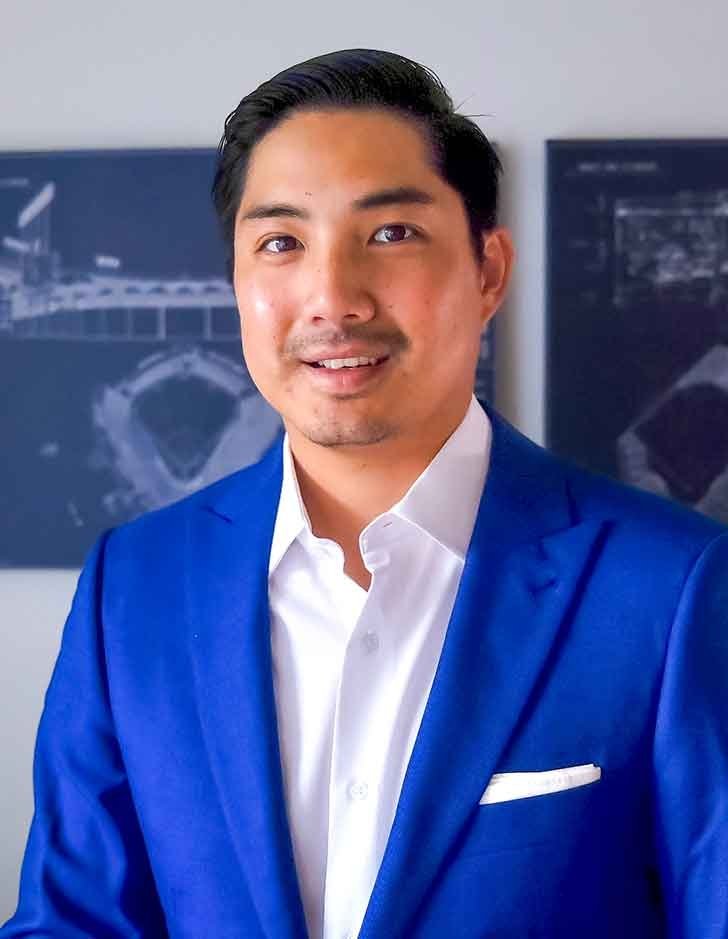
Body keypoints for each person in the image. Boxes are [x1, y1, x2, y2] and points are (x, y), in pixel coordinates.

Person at [2, 48, 727, 939]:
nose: (333, 297)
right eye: (281, 243)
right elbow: (72, 922)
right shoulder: (136, 584)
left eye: (391, 234)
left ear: (488, 271)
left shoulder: (673, 587)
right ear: (238, 283)